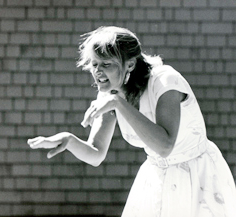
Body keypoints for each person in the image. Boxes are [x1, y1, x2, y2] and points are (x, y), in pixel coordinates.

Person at [27, 26, 236, 217]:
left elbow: (165, 146)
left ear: (131, 63)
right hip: (156, 178)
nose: (97, 72)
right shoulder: (112, 94)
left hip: (197, 177)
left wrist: (118, 103)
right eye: (94, 64)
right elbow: (96, 154)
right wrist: (69, 140)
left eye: (106, 64)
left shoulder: (165, 81)